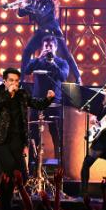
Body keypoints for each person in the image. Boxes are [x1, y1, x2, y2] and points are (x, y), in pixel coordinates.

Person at [0, 68, 55, 179]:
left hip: (17, 138)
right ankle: (3, 194)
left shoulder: (22, 93)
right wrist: (8, 93)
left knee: (23, 175)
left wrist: (48, 99)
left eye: (16, 81)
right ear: (5, 81)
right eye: (11, 80)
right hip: (1, 139)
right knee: (10, 168)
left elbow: (37, 104)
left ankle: (9, 193)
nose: (14, 83)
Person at [17, 0, 81, 84]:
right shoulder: (33, 1)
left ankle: (78, 77)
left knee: (66, 55)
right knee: (27, 51)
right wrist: (21, 6)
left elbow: (40, 13)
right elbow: (21, 14)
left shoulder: (48, 1)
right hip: (42, 31)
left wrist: (26, 6)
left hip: (53, 31)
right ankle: (21, 79)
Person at [25, 35, 69, 173]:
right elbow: (26, 71)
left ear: (55, 48)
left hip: (53, 103)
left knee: (56, 135)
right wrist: (39, 58)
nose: (48, 48)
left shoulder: (61, 62)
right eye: (46, 46)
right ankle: (33, 167)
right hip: (37, 102)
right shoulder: (37, 61)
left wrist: (52, 63)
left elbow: (63, 76)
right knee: (33, 134)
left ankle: (58, 169)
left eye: (51, 46)